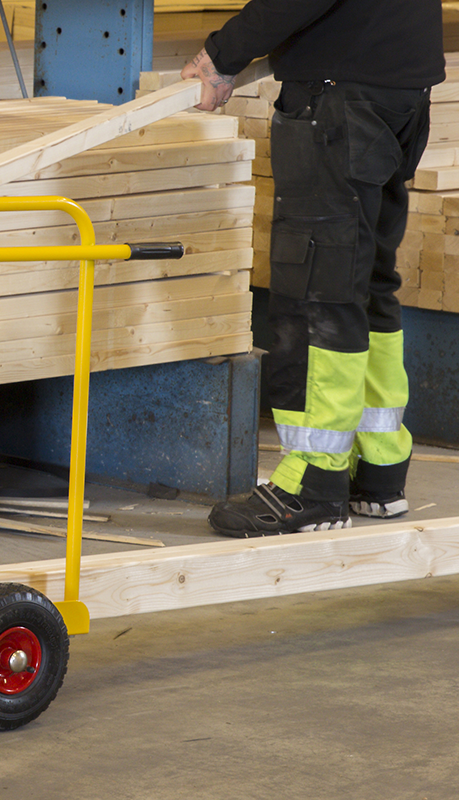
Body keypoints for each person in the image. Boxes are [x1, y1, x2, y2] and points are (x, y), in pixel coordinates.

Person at [180, 0, 445, 538]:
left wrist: (221, 54)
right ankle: (379, 469)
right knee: (368, 281)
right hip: (400, 90)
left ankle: (313, 484)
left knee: (317, 292)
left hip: (339, 96)